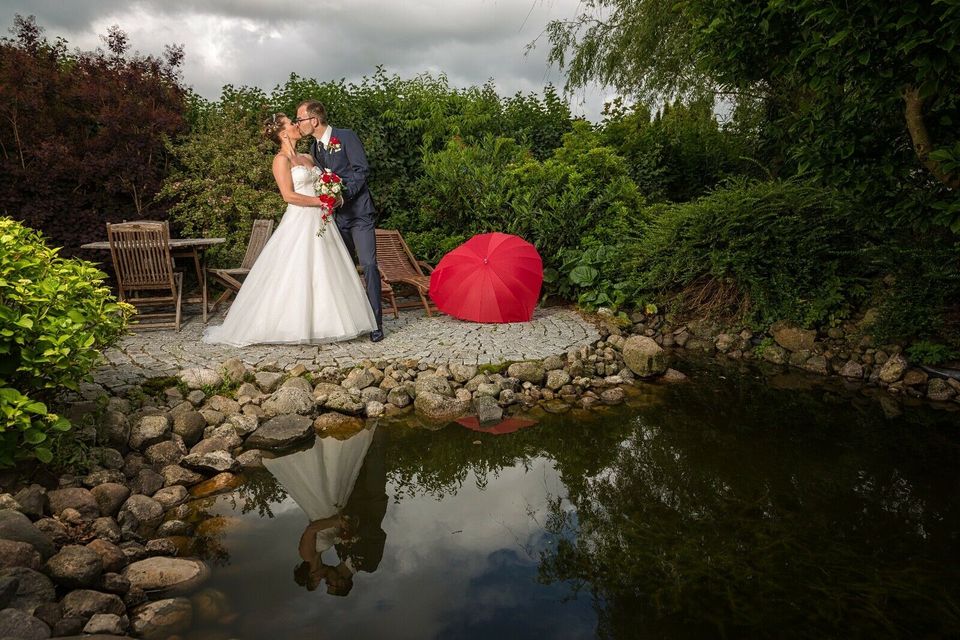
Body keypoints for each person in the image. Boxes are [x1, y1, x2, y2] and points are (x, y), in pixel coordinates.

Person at [203, 113, 377, 346]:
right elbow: (288, 195)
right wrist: (320, 202)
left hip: (322, 220)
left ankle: (326, 324)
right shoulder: (281, 160)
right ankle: (290, 325)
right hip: (301, 220)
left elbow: (329, 178)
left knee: (325, 272)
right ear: (283, 133)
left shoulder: (309, 156)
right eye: (291, 123)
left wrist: (332, 193)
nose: (297, 125)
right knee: (296, 272)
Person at [295, 100, 384, 342]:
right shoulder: (315, 149)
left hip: (359, 214)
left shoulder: (346, 136)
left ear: (314, 120)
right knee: (339, 268)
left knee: (368, 265)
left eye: (300, 119)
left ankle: (376, 323)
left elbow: (361, 170)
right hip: (335, 219)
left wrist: (343, 196)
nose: (298, 124)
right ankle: (353, 321)